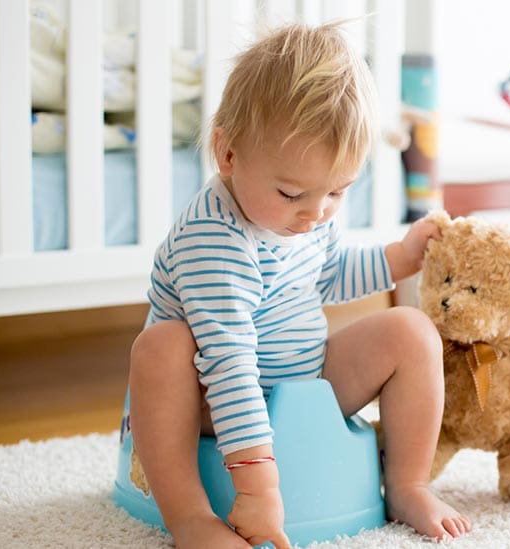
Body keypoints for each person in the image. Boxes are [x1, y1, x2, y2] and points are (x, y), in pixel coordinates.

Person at [127, 23, 470, 549]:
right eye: (291, 193)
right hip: (206, 401)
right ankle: (190, 517)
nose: (315, 214)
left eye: (337, 191)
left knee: (413, 331)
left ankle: (407, 484)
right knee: (161, 347)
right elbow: (230, 363)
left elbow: (327, 276)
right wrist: (259, 488)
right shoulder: (213, 240)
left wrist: (401, 258)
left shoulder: (309, 214)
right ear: (228, 154)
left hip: (301, 383)